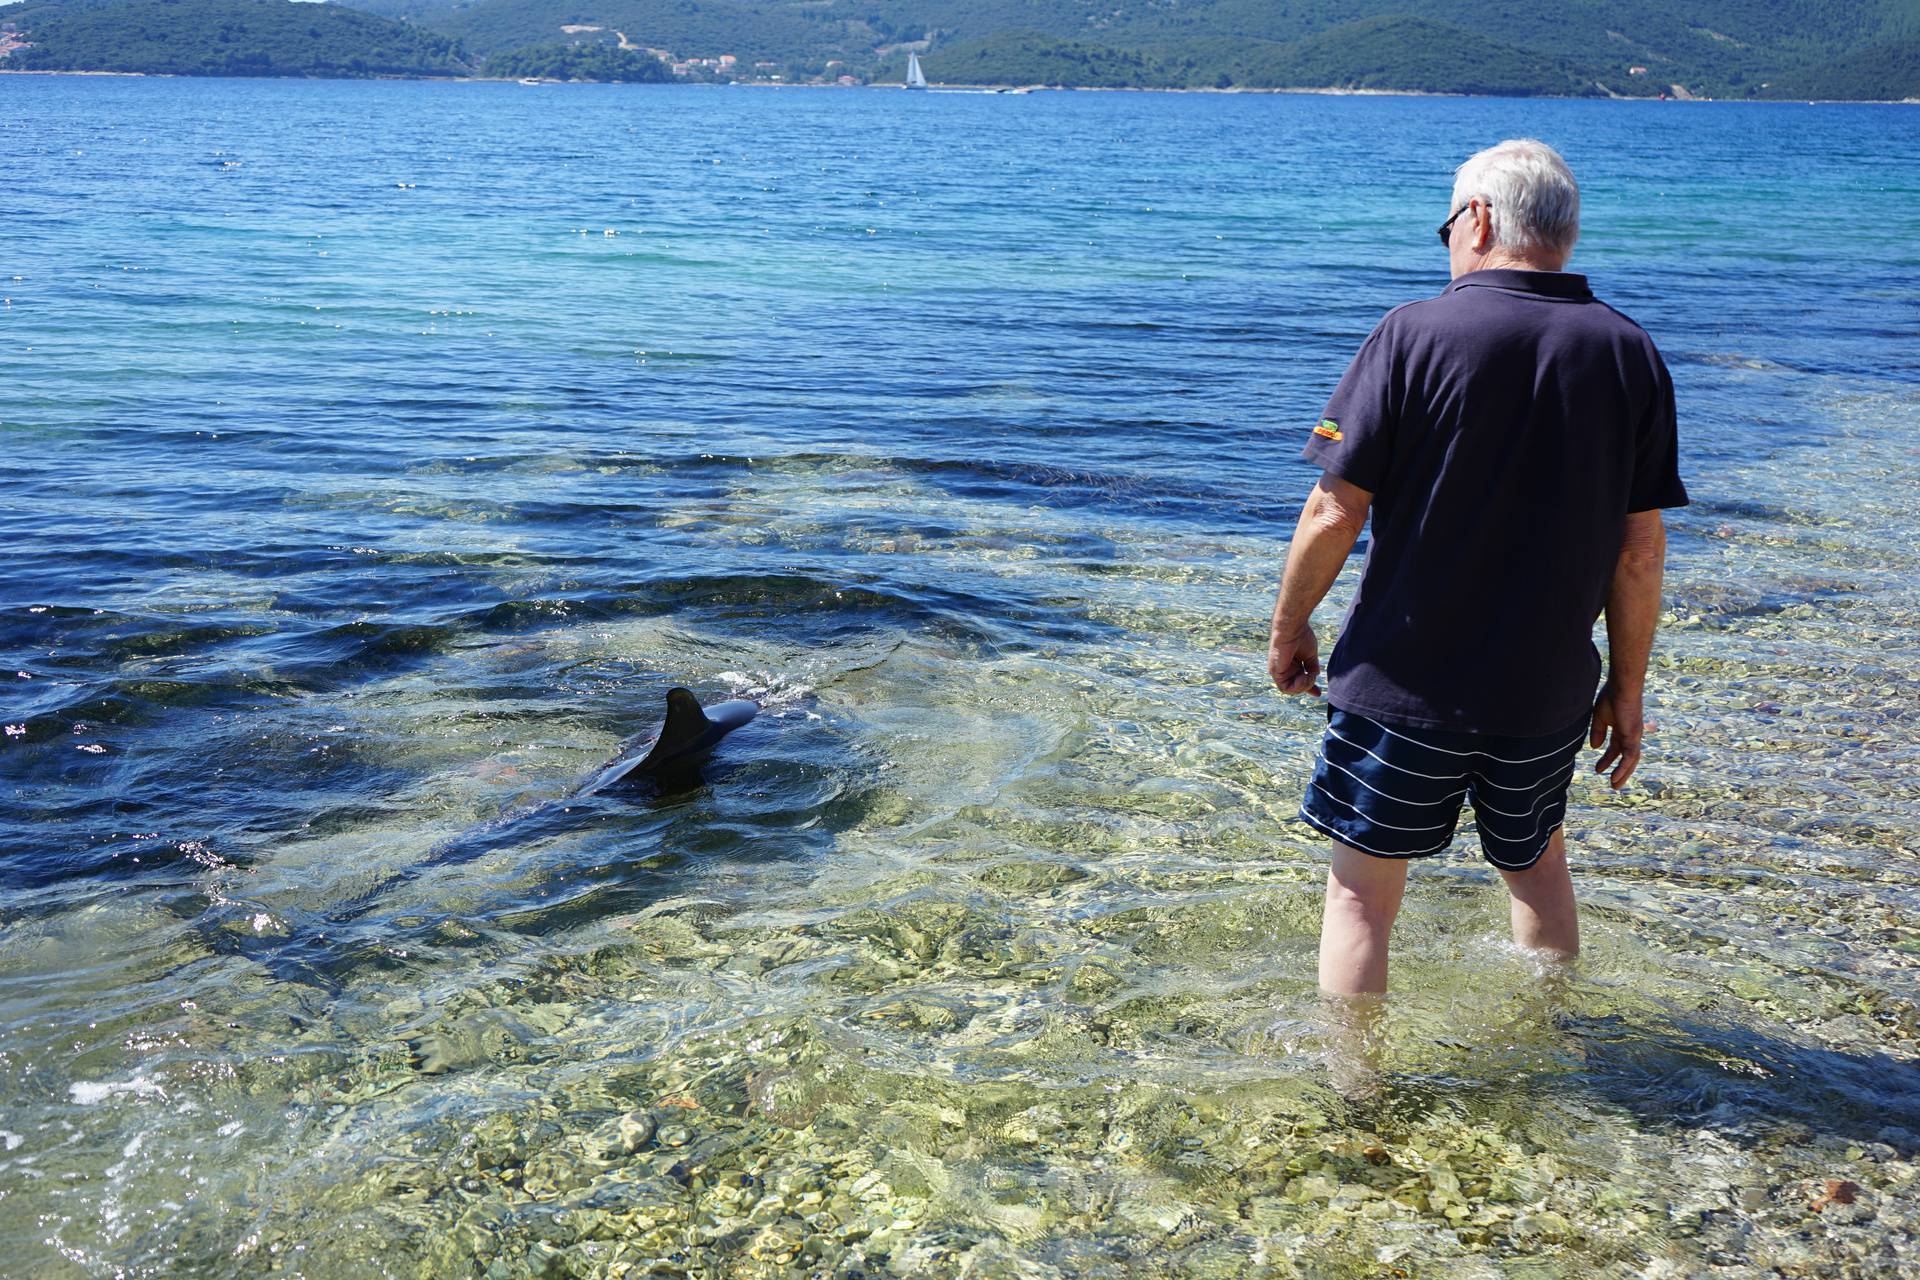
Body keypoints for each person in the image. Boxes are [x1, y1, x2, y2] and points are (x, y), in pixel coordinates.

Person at [1266, 138, 1688, 997]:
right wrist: (1628, 689)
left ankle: (1357, 1103)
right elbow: (1639, 551)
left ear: (1482, 220)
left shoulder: (1413, 333)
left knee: (1360, 901)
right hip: (1546, 694)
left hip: (1403, 687)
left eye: (1448, 223)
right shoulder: (1628, 351)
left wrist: (1288, 627)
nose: (1449, 241)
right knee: (1537, 870)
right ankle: (1548, 1053)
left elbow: (1335, 510)